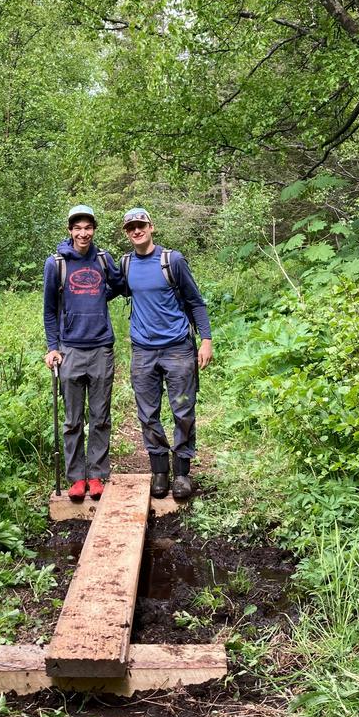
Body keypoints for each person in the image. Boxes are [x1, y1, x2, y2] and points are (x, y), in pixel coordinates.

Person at [119, 208, 213, 500]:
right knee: (147, 413)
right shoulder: (125, 265)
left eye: (141, 225)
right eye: (131, 227)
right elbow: (102, 289)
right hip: (142, 351)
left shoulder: (172, 260)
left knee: (183, 410)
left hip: (178, 348)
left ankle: (182, 473)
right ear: (126, 233)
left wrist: (206, 340)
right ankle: (159, 471)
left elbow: (195, 301)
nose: (137, 231)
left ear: (151, 227)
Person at [43, 205, 121, 503]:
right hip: (70, 350)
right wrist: (53, 347)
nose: (83, 233)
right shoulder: (56, 264)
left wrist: (101, 294)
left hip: (101, 347)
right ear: (70, 230)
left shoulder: (103, 259)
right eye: (77, 228)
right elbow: (49, 309)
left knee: (100, 416)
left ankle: (97, 474)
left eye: (88, 227)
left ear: (94, 229)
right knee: (72, 419)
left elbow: (120, 285)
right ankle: (76, 477)